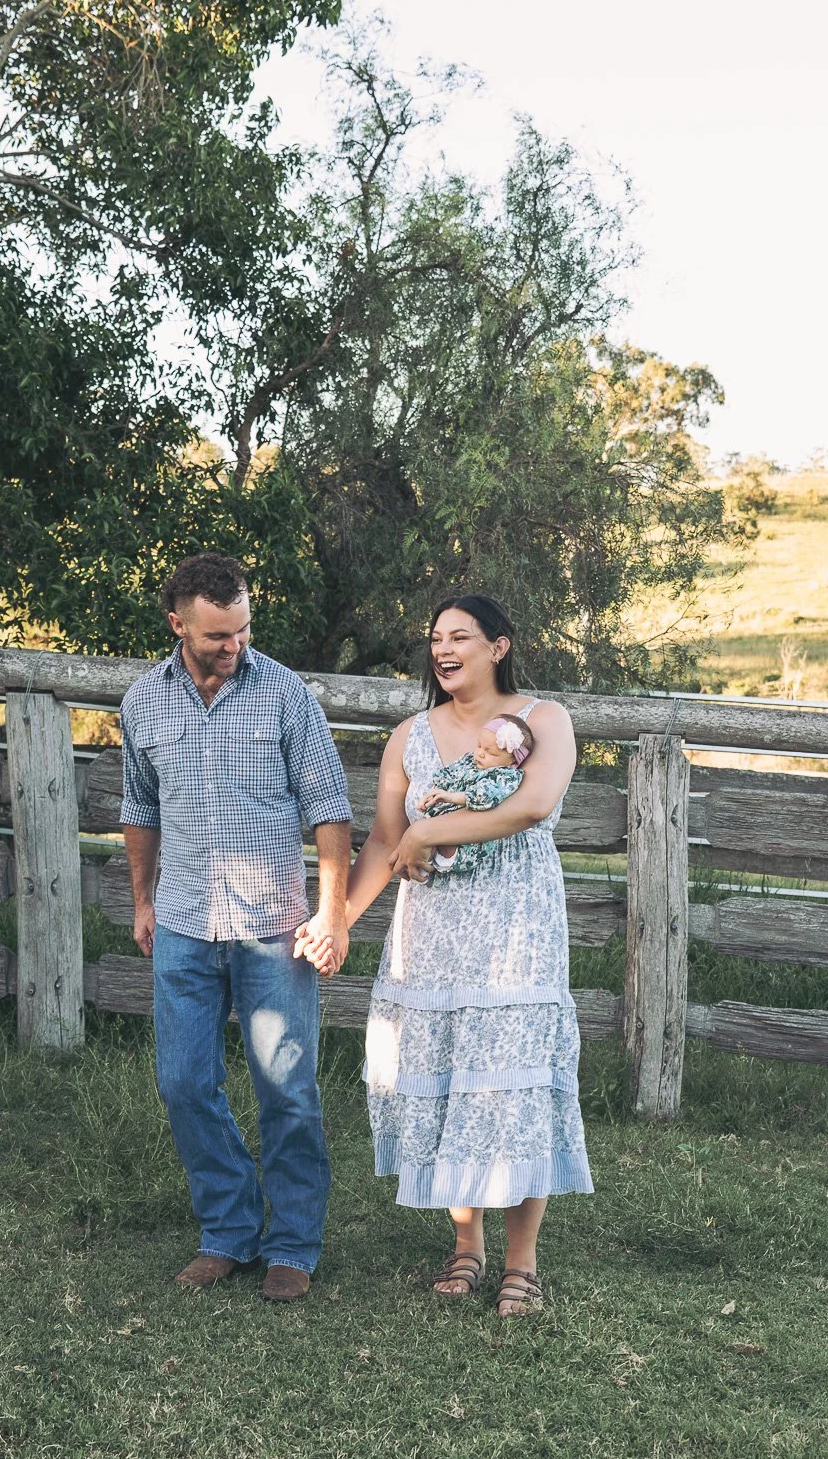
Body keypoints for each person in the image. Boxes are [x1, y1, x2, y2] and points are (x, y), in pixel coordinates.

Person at [342, 593, 592, 1317]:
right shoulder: (410, 736)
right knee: (451, 1082)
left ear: (499, 646)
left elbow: (531, 806)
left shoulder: (544, 720)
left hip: (516, 929)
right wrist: (339, 923)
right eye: (435, 639)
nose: (443, 650)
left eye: (460, 637)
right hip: (434, 933)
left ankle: (522, 1262)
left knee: (513, 1085)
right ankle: (466, 1245)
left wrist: (428, 834)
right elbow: (384, 841)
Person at [119, 553, 353, 1304]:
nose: (235, 644)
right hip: (183, 922)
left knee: (287, 1090)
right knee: (184, 1083)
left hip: (273, 928)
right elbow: (140, 807)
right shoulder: (142, 702)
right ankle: (227, 1230)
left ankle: (292, 1244)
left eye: (244, 628)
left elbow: (329, 808)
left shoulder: (285, 694)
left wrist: (332, 912)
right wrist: (143, 901)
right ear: (178, 625)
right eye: (219, 634)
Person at [418, 712, 534, 876]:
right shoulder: (470, 761)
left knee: (441, 840)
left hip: (468, 837)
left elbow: (484, 795)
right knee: (423, 839)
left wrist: (451, 797)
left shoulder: (505, 776)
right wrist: (434, 794)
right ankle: (422, 861)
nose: (480, 753)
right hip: (442, 818)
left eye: (490, 752)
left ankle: (434, 857)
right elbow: (448, 774)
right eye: (479, 745)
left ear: (513, 761)